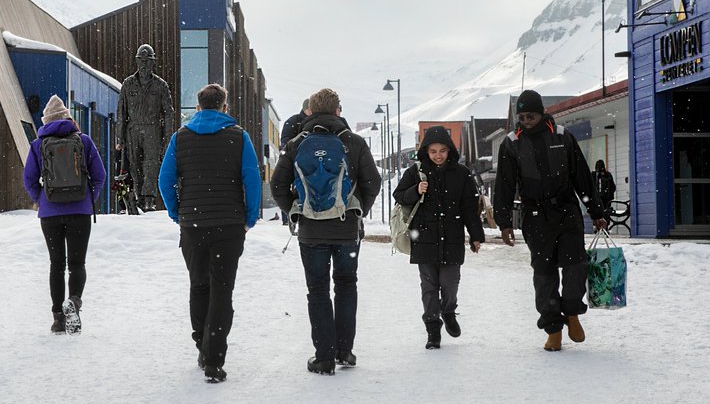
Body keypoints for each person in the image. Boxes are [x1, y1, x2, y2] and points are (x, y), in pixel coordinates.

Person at [270, 88, 381, 375]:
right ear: (338, 111)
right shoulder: (353, 142)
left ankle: (324, 357)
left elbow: (277, 184)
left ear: (310, 111)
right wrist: (357, 209)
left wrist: (296, 210)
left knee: (317, 290)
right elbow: (373, 182)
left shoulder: (296, 143)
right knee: (346, 284)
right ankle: (345, 351)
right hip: (347, 230)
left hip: (311, 231)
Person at [158, 83, 262, 383]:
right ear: (225, 107)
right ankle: (214, 358)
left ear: (198, 107)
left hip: (193, 225)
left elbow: (165, 180)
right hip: (229, 225)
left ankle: (201, 345)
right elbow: (252, 178)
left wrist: (177, 212)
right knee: (222, 289)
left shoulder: (180, 138)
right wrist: (249, 218)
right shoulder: (239, 137)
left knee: (199, 285)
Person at [494, 89, 608, 351]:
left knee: (575, 266)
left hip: (566, 211)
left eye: (531, 116)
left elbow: (581, 176)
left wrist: (596, 211)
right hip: (535, 216)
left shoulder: (562, 135)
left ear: (542, 113)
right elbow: (504, 186)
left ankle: (572, 313)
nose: (526, 121)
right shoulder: (511, 143)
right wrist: (504, 222)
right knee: (544, 274)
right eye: (522, 117)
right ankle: (553, 329)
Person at [392, 125, 485, 349]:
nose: (438, 155)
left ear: (449, 150)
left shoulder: (462, 174)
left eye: (442, 151)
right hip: (424, 239)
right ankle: (433, 329)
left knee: (450, 283)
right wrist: (416, 190)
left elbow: (469, 208)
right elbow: (399, 196)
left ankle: (448, 311)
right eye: (433, 151)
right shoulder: (415, 172)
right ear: (426, 151)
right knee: (429, 287)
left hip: (452, 239)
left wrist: (476, 235)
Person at [23, 94, 107, 335]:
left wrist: (42, 199)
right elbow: (99, 176)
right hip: (79, 211)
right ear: (68, 118)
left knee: (56, 264)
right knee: (77, 263)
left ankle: (58, 319)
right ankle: (74, 302)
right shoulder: (84, 141)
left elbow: (29, 179)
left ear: (46, 121)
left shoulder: (38, 145)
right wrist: (88, 198)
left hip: (50, 213)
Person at [116, 44, 174, 212]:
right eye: (141, 61)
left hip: (152, 130)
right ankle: (138, 197)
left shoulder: (160, 85)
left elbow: (168, 113)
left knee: (151, 164)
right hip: (133, 129)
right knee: (134, 165)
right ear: (136, 61)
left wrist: (168, 138)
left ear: (152, 63)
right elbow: (121, 112)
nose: (144, 65)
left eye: (147, 61)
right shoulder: (128, 84)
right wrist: (120, 137)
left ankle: (149, 198)